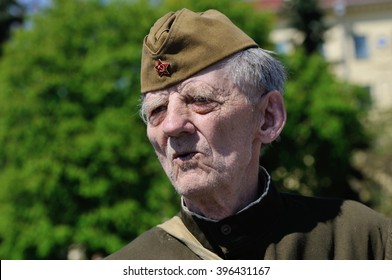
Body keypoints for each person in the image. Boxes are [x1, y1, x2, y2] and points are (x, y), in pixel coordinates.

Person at [106, 8, 392, 260]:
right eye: (157, 110)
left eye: (200, 100)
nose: (171, 125)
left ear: (268, 117)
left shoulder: (361, 243)